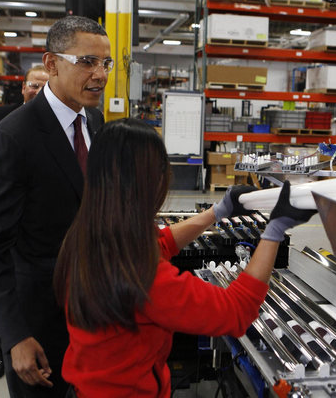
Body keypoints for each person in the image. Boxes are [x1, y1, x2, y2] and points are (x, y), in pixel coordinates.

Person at [53, 118, 316, 398]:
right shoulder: (144, 279)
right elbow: (236, 311)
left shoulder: (87, 236)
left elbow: (161, 243)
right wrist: (274, 231)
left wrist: (217, 212)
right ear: (144, 183)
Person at [0, 15, 110, 398]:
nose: (100, 75)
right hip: (40, 322)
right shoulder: (13, 138)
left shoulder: (94, 121)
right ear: (51, 64)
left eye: (105, 63)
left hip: (93, 311)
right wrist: (15, 336)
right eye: (87, 62)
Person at [0, 65, 49, 381]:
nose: (38, 90)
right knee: (0, 278)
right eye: (33, 84)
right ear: (23, 88)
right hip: (4, 212)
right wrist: (3, 190)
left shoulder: (54, 124)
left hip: (35, 223)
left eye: (44, 85)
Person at [0, 65, 49, 176]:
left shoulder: (57, 122)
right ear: (23, 88)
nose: (39, 92)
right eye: (34, 86)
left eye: (46, 88)